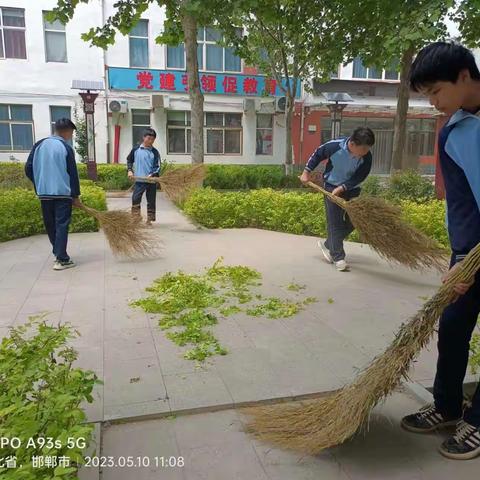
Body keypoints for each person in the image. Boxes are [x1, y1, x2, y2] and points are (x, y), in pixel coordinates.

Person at [400, 41, 480, 460]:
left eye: (436, 92)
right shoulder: (454, 127)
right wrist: (464, 260)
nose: (433, 103)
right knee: (451, 329)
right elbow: (463, 202)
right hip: (469, 254)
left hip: (474, 256)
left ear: (464, 76)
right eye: (427, 95)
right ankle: (448, 405)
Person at [300, 127, 375, 271]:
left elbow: (361, 175)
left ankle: (329, 244)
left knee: (355, 221)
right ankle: (338, 257)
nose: (366, 153)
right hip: (330, 186)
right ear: (352, 144)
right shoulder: (335, 146)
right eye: (363, 149)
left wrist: (343, 188)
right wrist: (306, 172)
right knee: (335, 221)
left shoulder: (367, 157)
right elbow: (317, 154)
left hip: (351, 189)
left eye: (368, 149)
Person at [25, 118, 80, 271]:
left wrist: (40, 183)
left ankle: (58, 254)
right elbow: (72, 174)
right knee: (62, 225)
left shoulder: (39, 145)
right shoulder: (65, 147)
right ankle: (61, 259)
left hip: (44, 193)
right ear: (67, 131)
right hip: (62, 194)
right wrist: (75, 195)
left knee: (51, 225)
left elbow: (28, 168)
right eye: (71, 132)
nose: (71, 135)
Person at [127, 128, 160, 225]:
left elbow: (157, 166)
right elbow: (129, 160)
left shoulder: (155, 152)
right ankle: (136, 218)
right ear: (144, 138)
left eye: (153, 139)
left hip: (151, 181)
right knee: (135, 199)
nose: (150, 141)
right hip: (139, 181)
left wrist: (152, 174)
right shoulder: (136, 149)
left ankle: (150, 219)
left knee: (151, 200)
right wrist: (129, 170)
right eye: (149, 138)